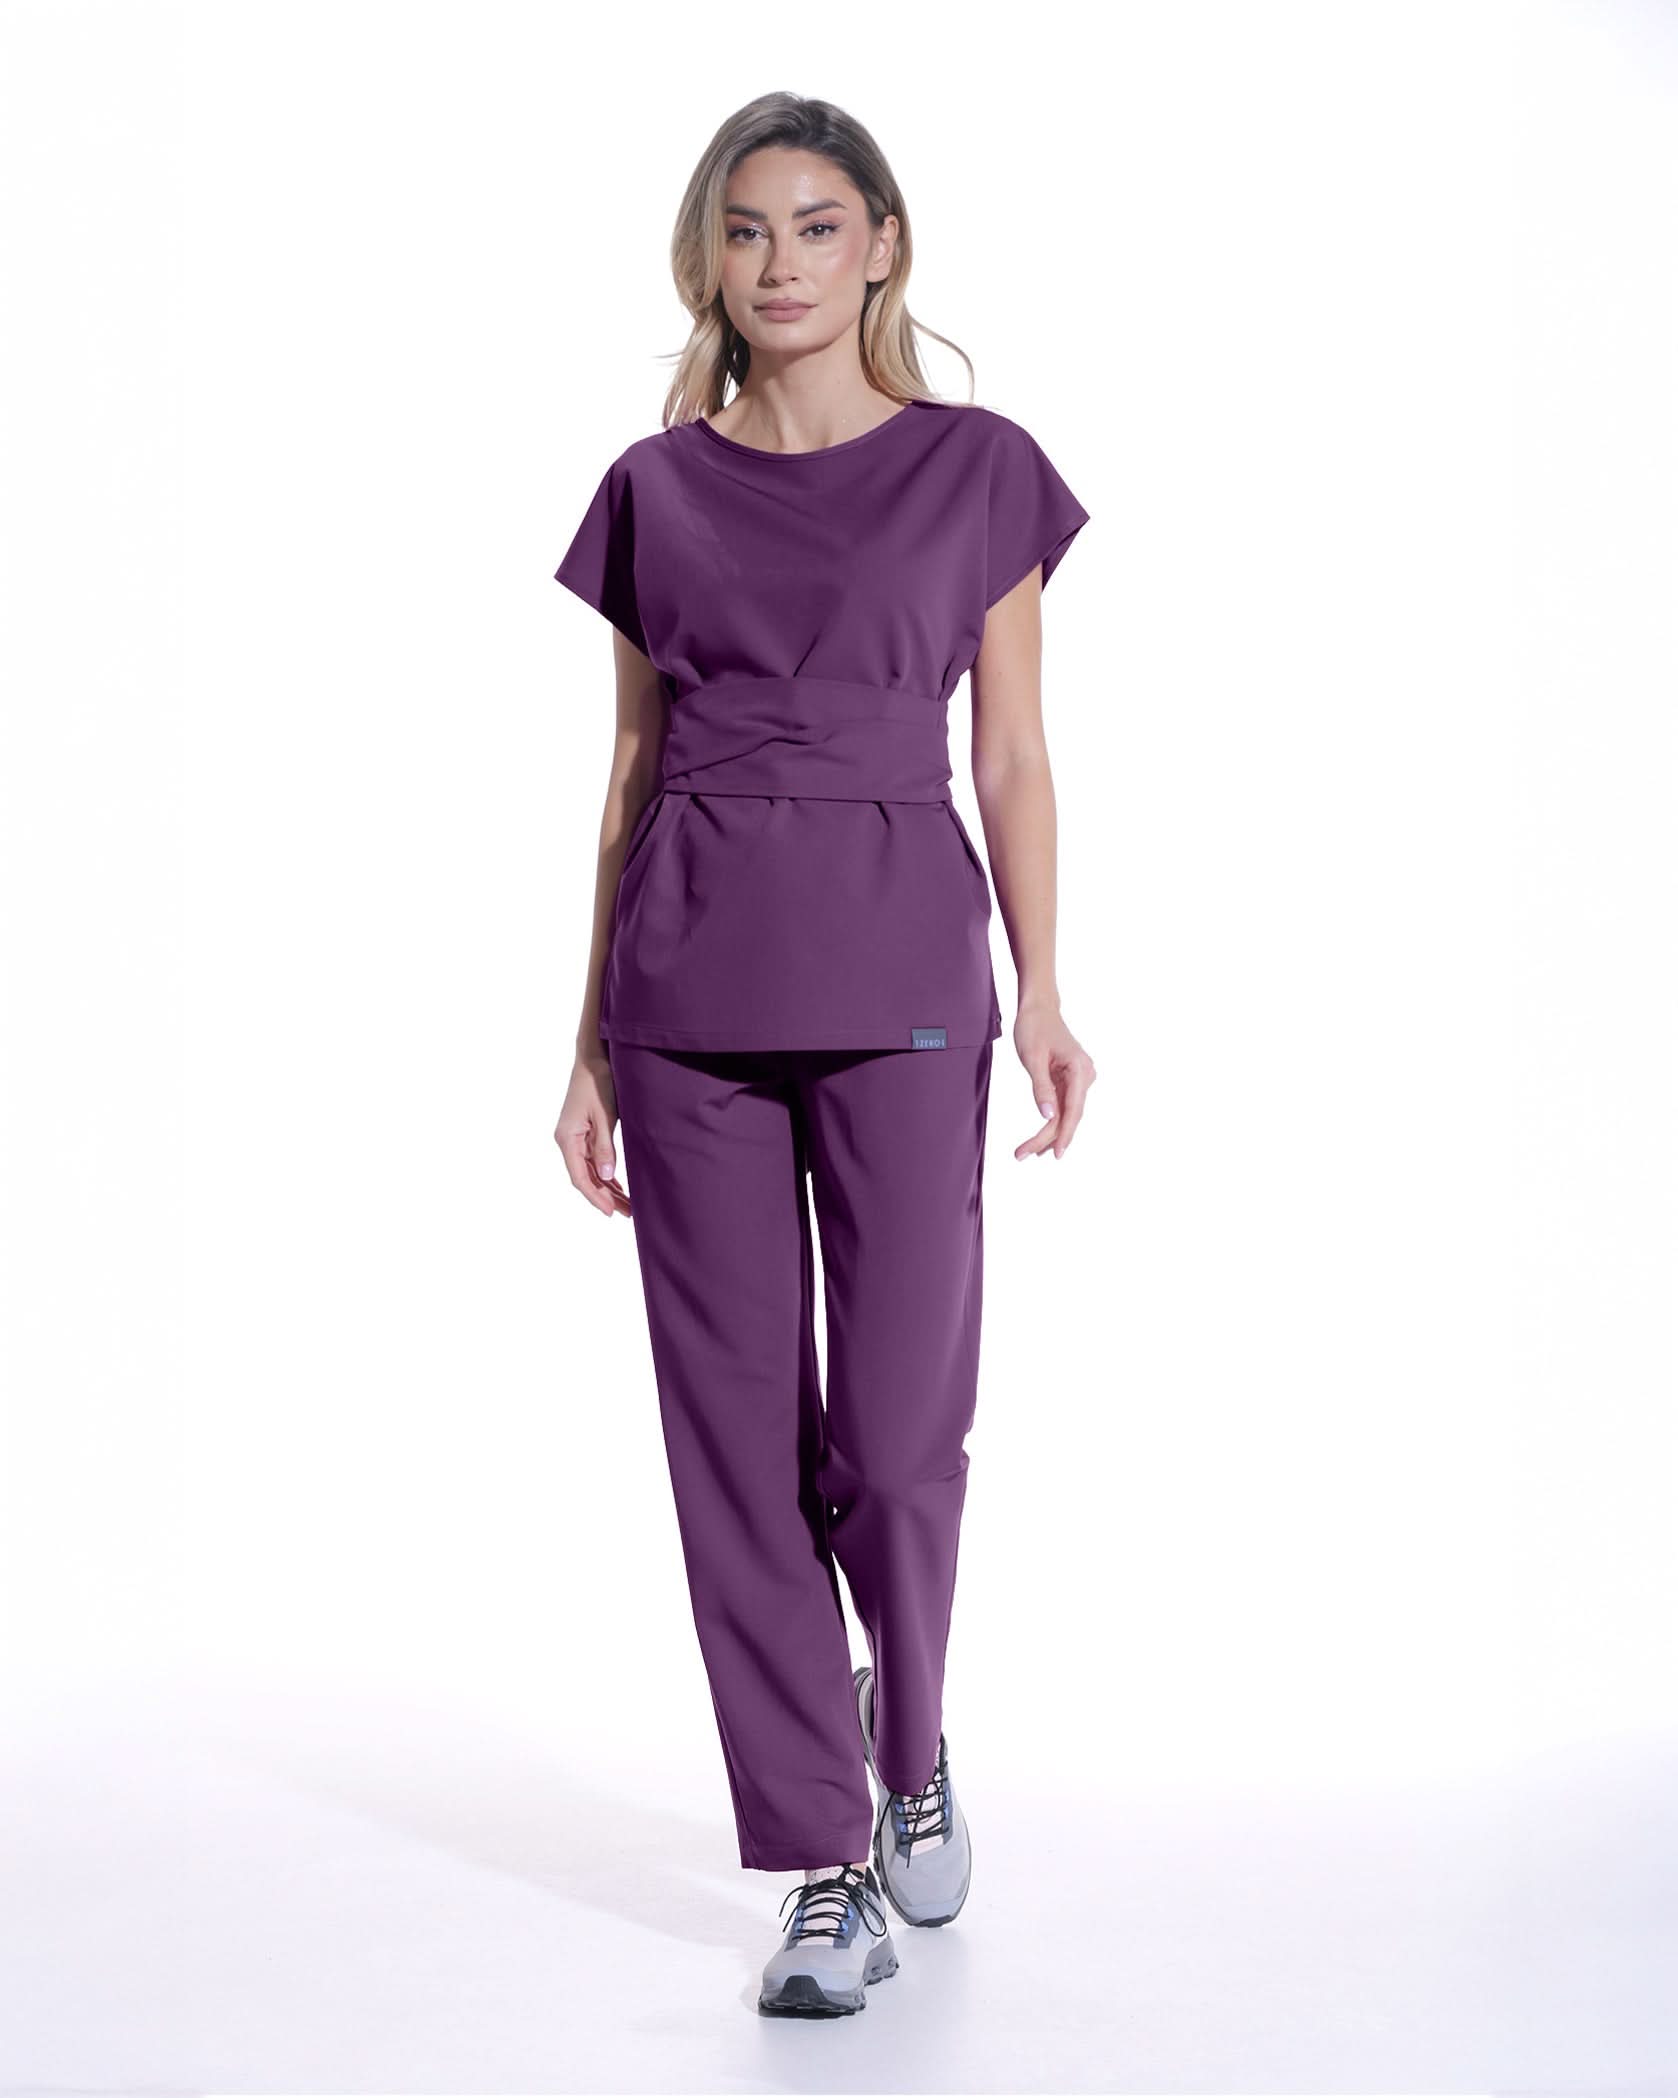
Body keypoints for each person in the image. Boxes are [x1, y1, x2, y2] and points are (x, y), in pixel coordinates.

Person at [551, 91, 1097, 2019]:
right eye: (744, 229)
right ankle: (821, 1862)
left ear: (881, 246)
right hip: (685, 994)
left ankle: (910, 1730)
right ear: (707, 261)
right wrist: (583, 1037)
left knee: (894, 1433)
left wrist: (1044, 987)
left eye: (812, 224)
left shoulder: (977, 470)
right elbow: (630, 768)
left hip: (902, 977)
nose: (776, 262)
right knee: (732, 1440)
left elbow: (1009, 752)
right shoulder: (654, 487)